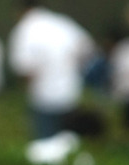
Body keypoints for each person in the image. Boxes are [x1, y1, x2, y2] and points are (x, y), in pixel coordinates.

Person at [8, 0, 97, 140]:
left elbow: (23, 68)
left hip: (43, 99)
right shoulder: (63, 23)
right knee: (71, 144)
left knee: (46, 148)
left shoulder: (25, 28)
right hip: (71, 95)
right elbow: (88, 49)